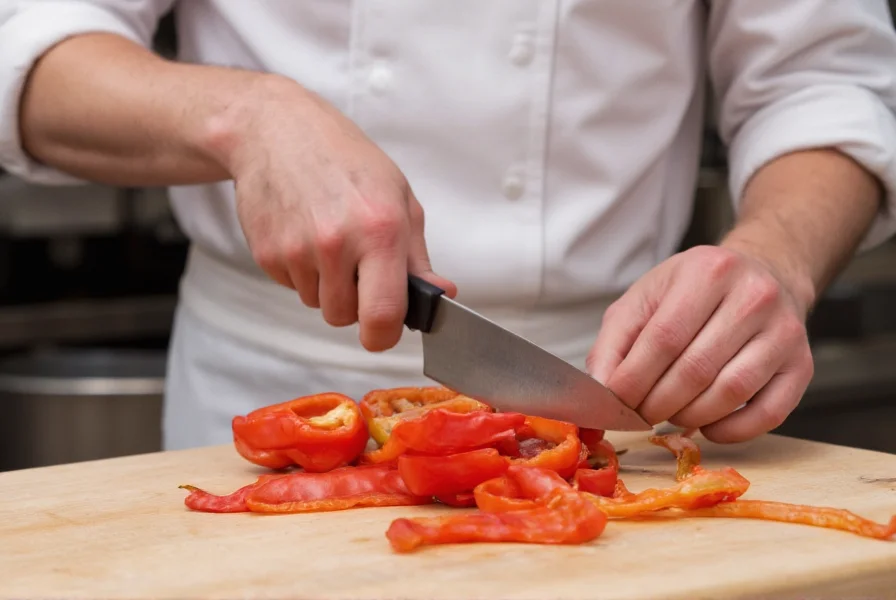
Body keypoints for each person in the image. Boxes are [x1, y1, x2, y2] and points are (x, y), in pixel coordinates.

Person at [2, 1, 896, 451]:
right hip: (269, 393)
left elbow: (822, 82)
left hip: (620, 401)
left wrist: (774, 254)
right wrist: (245, 116)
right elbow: (33, 42)